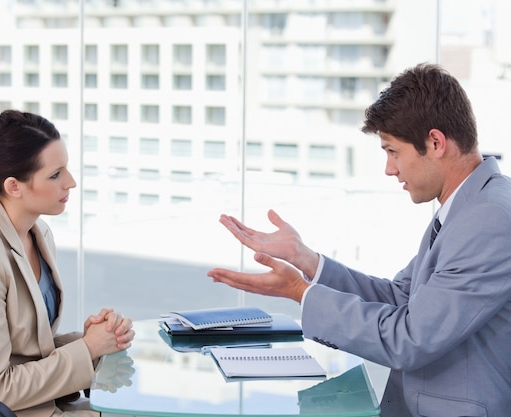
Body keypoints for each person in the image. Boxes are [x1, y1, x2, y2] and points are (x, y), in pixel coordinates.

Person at [207, 63, 511, 417]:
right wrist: (307, 261)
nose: (389, 168)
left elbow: (410, 337)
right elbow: (400, 299)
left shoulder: (488, 219)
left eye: (393, 151)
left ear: (435, 142)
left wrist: (299, 292)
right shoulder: (467, 207)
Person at [0, 110, 135, 417]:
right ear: (14, 187)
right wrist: (88, 349)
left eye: (66, 169)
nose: (71, 182)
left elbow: (27, 349)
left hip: (35, 406)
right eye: (55, 175)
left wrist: (93, 340)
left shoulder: (37, 234)